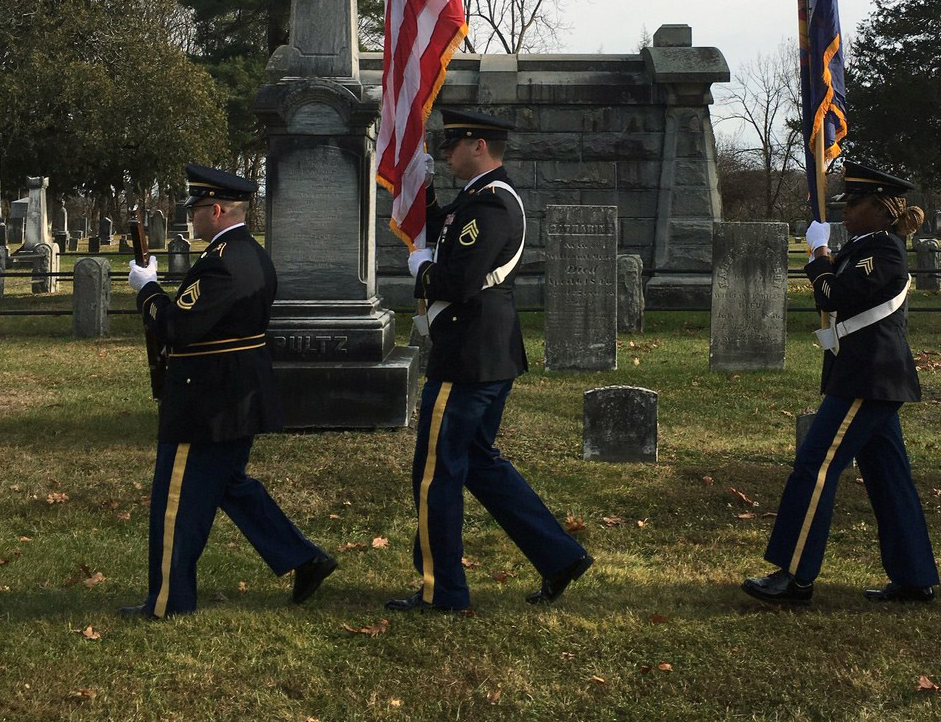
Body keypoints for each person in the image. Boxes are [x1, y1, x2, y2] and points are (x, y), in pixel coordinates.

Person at [386, 108, 592, 613]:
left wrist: (423, 269)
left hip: (467, 358)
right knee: (477, 463)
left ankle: (445, 591)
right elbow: (446, 230)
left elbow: (457, 280)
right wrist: (422, 190)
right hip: (484, 353)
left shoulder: (493, 206)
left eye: (452, 144)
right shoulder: (476, 200)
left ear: (479, 146)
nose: (446, 151)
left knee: (436, 472)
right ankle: (559, 555)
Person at [120, 165, 336, 619]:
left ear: (216, 210)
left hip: (207, 402)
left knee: (176, 501)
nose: (190, 217)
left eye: (195, 209)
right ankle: (303, 558)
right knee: (228, 486)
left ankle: (169, 601)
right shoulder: (252, 254)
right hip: (236, 395)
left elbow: (176, 328)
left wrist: (148, 290)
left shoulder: (220, 263)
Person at [742, 161, 939, 605]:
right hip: (865, 377)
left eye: (854, 203)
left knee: (815, 466)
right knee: (889, 477)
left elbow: (834, 295)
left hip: (867, 379)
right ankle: (913, 576)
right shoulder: (863, 246)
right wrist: (827, 258)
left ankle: (794, 576)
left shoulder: (884, 250)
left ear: (881, 208)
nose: (845, 211)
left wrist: (818, 257)